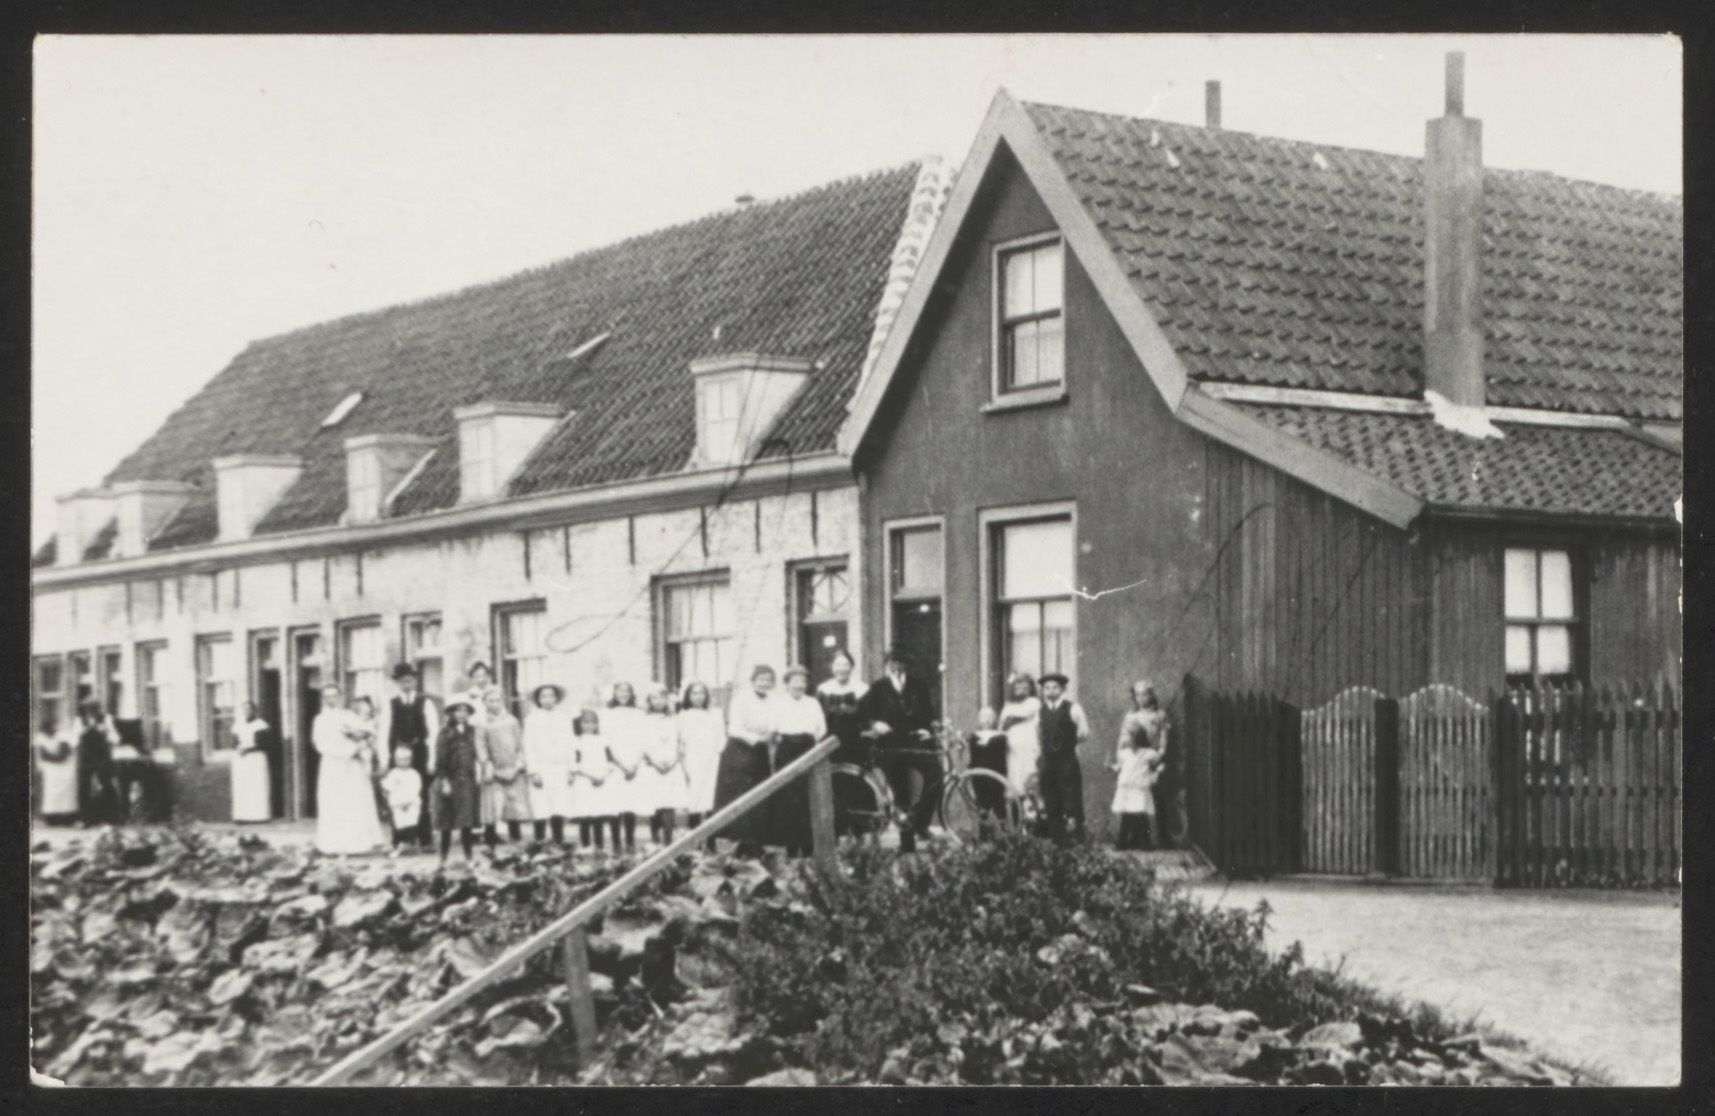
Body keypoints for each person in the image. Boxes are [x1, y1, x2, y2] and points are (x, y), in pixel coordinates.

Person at [858, 646, 938, 852]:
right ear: (887, 665)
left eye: (901, 662)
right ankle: (907, 843)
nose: (897, 666)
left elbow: (929, 713)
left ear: (907, 665)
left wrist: (926, 729)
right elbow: (863, 714)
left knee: (937, 774)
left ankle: (919, 820)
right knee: (901, 791)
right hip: (889, 745)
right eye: (893, 662)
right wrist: (875, 724)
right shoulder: (878, 687)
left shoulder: (918, 685)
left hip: (914, 741)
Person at [311, 683, 387, 855]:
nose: (331, 699)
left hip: (353, 766)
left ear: (340, 697)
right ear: (323, 699)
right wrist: (348, 751)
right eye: (327, 696)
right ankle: (333, 844)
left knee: (354, 801)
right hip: (333, 765)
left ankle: (358, 842)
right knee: (334, 803)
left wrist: (361, 743)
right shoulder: (320, 720)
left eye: (334, 695)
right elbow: (320, 744)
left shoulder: (349, 715)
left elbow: (369, 732)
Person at [713, 665, 776, 849]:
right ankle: (734, 840)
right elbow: (735, 728)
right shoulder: (741, 699)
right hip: (740, 751)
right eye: (761, 679)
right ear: (753, 681)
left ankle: (754, 841)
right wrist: (757, 739)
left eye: (768, 680)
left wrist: (770, 735)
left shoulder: (773, 700)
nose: (764, 683)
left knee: (759, 792)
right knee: (739, 793)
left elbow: (774, 723)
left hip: (761, 751)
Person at [380, 663, 442, 848]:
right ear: (397, 683)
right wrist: (385, 759)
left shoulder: (425, 702)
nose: (406, 685)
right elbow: (384, 732)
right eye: (402, 682)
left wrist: (432, 759)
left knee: (420, 796)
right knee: (398, 796)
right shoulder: (391, 704)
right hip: (398, 755)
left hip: (420, 754)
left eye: (409, 681)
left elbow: (433, 732)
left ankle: (425, 838)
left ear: (415, 680)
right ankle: (402, 839)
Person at [769, 665, 828, 858]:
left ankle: (809, 847)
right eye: (795, 681)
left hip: (808, 748)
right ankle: (791, 848)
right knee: (788, 798)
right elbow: (772, 728)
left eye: (803, 681)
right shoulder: (778, 703)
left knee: (808, 796)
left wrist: (809, 742)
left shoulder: (812, 703)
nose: (799, 685)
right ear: (787, 684)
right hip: (786, 750)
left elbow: (821, 729)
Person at [815, 651, 870, 838]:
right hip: (831, 745)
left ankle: (859, 832)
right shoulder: (823, 690)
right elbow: (819, 718)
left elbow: (866, 717)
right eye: (838, 665)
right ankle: (835, 833)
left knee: (856, 785)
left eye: (846, 664)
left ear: (852, 667)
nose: (842, 669)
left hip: (855, 745)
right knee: (833, 786)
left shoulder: (862, 689)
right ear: (832, 667)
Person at [1035, 673, 1091, 845]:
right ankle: (1057, 841)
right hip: (1048, 761)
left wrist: (1067, 743)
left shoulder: (1073, 708)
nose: (1051, 691)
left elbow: (1084, 733)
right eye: (1047, 688)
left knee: (1071, 798)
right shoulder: (1041, 710)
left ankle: (1078, 839)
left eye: (1055, 687)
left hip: (1067, 760)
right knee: (1051, 799)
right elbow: (1038, 733)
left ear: (1063, 689)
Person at [1113, 681, 1168, 850]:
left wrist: (1159, 756)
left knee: (1151, 803)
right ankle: (1131, 839)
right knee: (1131, 805)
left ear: (1151, 695)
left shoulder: (1159, 715)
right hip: (1134, 763)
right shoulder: (1131, 716)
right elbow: (1123, 740)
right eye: (1138, 695)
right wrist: (1120, 761)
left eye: (1145, 694)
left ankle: (1157, 838)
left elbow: (1163, 739)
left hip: (1150, 761)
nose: (1141, 698)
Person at [432, 698, 484, 864]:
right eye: (458, 710)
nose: (462, 714)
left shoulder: (472, 731)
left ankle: (469, 857)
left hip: (466, 777)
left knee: (466, 819)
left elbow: (479, 752)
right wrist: (444, 780)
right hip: (450, 777)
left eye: (465, 711)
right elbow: (440, 759)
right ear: (452, 713)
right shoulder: (445, 733)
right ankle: (443, 858)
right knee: (446, 821)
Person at [522, 683, 575, 843]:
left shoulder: (564, 718)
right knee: (540, 806)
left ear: (556, 698)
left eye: (551, 695)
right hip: (541, 767)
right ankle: (540, 841)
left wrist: (571, 769)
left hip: (560, 767)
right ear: (538, 699)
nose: (548, 699)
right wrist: (533, 771)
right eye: (543, 696)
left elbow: (570, 744)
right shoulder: (532, 719)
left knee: (558, 805)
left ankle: (558, 841)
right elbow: (528, 745)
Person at [479, 686, 531, 846]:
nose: (494, 704)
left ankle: (516, 844)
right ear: (484, 703)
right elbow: (481, 749)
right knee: (492, 809)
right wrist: (489, 767)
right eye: (490, 701)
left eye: (497, 700)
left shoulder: (512, 721)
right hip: (494, 771)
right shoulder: (481, 724)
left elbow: (520, 745)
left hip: (513, 770)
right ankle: (490, 844)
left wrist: (518, 765)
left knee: (513, 809)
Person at [602, 683, 646, 854]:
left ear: (631, 694)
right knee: (615, 806)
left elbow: (643, 740)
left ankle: (630, 842)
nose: (623, 694)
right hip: (615, 764)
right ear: (614, 693)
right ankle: (616, 844)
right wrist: (620, 764)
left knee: (630, 805)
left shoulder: (639, 714)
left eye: (627, 691)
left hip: (634, 763)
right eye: (620, 691)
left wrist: (634, 764)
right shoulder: (606, 714)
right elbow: (605, 742)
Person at [677, 681, 725, 829]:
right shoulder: (684, 715)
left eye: (701, 693)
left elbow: (721, 738)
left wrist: (717, 752)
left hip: (712, 758)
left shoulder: (715, 713)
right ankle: (694, 835)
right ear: (688, 696)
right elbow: (682, 739)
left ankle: (711, 837)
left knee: (710, 795)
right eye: (694, 693)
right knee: (695, 794)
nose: (698, 697)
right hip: (693, 758)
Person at [641, 685, 684, 847]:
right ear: (649, 701)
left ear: (667, 700)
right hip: (653, 767)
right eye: (654, 698)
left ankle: (668, 840)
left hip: (671, 766)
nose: (658, 701)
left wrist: (673, 760)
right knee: (655, 804)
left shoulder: (675, 719)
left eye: (662, 698)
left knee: (669, 804)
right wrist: (654, 761)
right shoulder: (645, 720)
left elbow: (680, 740)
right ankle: (655, 838)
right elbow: (642, 743)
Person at [571, 707, 613, 852]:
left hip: (600, 781)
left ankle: (599, 846)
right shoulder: (577, 741)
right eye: (586, 722)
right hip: (584, 782)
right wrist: (590, 776)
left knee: (598, 816)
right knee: (585, 816)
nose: (589, 726)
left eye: (592, 723)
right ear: (580, 724)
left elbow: (609, 761)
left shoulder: (603, 741)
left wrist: (602, 776)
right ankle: (585, 845)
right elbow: (575, 763)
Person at [74, 702, 119, 827]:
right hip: (87, 756)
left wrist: (103, 730)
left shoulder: (106, 719)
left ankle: (111, 817)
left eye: (95, 709)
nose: (93, 712)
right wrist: (88, 727)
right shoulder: (79, 720)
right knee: (84, 786)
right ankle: (85, 818)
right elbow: (75, 739)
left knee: (107, 783)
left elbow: (115, 738)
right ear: (86, 710)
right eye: (90, 709)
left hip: (102, 755)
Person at [999, 673, 1043, 799]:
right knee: (1014, 778)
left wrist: (1008, 718)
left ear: (1030, 687)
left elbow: (1022, 714)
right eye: (1017, 684)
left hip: (1028, 746)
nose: (1020, 687)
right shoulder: (1009, 705)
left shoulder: (1034, 702)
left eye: (1024, 684)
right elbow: (1002, 724)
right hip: (1012, 748)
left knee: (1028, 779)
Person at [231, 700, 273, 824]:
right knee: (243, 787)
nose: (247, 711)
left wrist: (248, 749)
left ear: (254, 710)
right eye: (244, 709)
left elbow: (263, 744)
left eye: (249, 709)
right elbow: (234, 742)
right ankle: (243, 816)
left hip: (256, 760)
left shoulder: (261, 725)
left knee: (256, 786)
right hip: (242, 760)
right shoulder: (238, 725)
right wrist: (239, 748)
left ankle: (259, 816)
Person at [965, 707, 1010, 818]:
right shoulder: (974, 736)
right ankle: (983, 822)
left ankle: (1001, 823)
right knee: (982, 802)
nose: (987, 720)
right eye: (984, 716)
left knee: (998, 801)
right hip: (979, 774)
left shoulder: (1001, 735)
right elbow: (972, 755)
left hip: (996, 772)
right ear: (979, 719)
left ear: (995, 719)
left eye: (990, 716)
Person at [380, 745, 424, 855]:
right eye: (399, 760)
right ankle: (399, 843)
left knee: (411, 821)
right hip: (398, 803)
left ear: (410, 760)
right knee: (399, 823)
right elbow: (388, 786)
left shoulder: (413, 774)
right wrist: (383, 782)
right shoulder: (393, 773)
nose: (402, 762)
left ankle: (410, 843)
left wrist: (409, 801)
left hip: (411, 803)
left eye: (405, 760)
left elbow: (416, 788)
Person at [35, 725, 79, 826]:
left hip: (66, 771)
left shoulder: (64, 737)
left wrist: (51, 757)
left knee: (66, 796)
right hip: (51, 772)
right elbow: (44, 755)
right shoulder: (41, 739)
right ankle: (53, 818)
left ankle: (68, 818)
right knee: (51, 796)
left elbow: (63, 755)